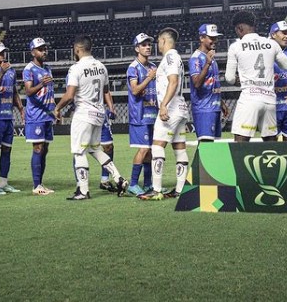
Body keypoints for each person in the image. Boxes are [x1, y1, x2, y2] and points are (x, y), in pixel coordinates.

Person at [54, 35, 129, 200]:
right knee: (95, 149)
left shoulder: (76, 68)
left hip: (84, 114)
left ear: (78, 49)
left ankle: (83, 190)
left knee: (79, 152)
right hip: (99, 114)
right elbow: (106, 90)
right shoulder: (102, 67)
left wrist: (57, 108)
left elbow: (70, 94)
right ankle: (119, 179)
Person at [224, 11, 287, 142]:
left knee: (240, 141)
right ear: (254, 25)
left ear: (239, 28)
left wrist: (240, 81)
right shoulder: (272, 44)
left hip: (249, 98)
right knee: (270, 141)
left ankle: (240, 163)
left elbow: (230, 78)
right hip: (269, 99)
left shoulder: (235, 46)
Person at [140, 28, 189, 201]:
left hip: (172, 108)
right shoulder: (176, 57)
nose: (157, 45)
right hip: (181, 108)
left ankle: (156, 189)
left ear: (163, 40)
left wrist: (163, 105)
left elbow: (173, 81)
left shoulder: (169, 57)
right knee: (179, 147)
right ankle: (180, 189)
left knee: (157, 146)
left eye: (158, 42)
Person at [0, 41, 25, 194]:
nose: (3, 55)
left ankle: (4, 183)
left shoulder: (11, 70)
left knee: (7, 151)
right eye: (0, 53)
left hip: (8, 116)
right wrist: (1, 73)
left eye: (4, 52)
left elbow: (14, 91)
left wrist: (21, 108)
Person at [126, 33, 158, 196]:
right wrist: (148, 78)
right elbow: (135, 90)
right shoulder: (133, 67)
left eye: (149, 44)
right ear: (137, 48)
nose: (148, 47)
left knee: (150, 151)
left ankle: (147, 184)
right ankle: (132, 184)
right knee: (144, 150)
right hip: (139, 115)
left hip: (152, 114)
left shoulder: (152, 66)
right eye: (144, 45)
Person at [23, 38, 56, 195]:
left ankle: (40, 183)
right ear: (33, 52)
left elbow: (50, 92)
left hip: (47, 115)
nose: (44, 51)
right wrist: (41, 84)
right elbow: (28, 91)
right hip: (35, 115)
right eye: (40, 49)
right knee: (38, 148)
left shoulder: (48, 68)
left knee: (45, 149)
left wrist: (54, 108)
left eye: (45, 48)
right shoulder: (29, 69)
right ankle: (36, 186)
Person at [188, 24, 229, 143]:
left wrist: (222, 104)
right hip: (204, 109)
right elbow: (196, 83)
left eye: (216, 38)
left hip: (214, 108)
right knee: (206, 146)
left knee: (214, 148)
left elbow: (213, 85)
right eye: (211, 38)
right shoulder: (196, 58)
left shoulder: (211, 58)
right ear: (202, 38)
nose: (215, 41)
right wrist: (207, 64)